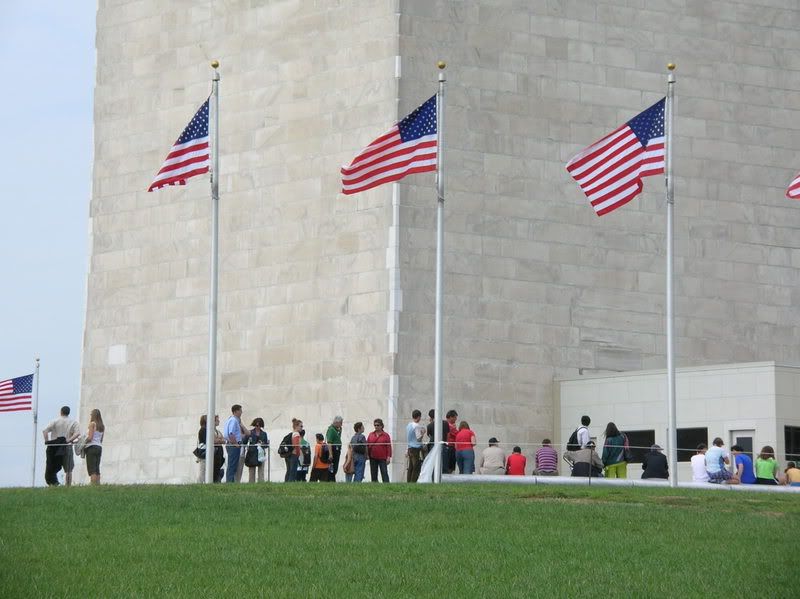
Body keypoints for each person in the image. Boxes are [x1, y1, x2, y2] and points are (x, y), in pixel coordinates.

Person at [42, 406, 80, 486]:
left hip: (55, 448)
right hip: (67, 447)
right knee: (68, 470)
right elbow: (77, 433)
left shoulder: (55, 421)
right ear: (68, 412)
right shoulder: (73, 422)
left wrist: (47, 442)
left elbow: (45, 431)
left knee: (52, 467)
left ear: (61, 412)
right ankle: (67, 486)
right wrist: (68, 440)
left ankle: (53, 484)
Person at [197, 414, 225, 483]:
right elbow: (211, 440)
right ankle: (200, 484)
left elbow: (221, 439)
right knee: (203, 470)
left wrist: (218, 440)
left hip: (212, 452)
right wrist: (218, 440)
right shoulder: (203, 430)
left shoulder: (209, 430)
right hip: (204, 453)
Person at [223, 404, 245, 483]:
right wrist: (235, 443)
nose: (241, 412)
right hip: (233, 445)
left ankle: (231, 481)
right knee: (232, 465)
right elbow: (231, 433)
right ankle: (230, 482)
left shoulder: (230, 420)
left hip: (231, 444)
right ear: (236, 411)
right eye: (240, 410)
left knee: (233, 464)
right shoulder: (234, 420)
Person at [243, 418, 269, 483]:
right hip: (251, 454)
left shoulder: (264, 434)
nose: (258, 427)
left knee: (261, 471)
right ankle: (251, 484)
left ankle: (261, 484)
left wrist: (262, 444)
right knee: (251, 472)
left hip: (261, 454)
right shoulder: (250, 432)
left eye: (259, 426)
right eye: (256, 425)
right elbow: (244, 442)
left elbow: (266, 445)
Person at [84, 409, 105, 485]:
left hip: (91, 447)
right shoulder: (102, 426)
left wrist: (83, 442)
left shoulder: (92, 424)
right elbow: (101, 439)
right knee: (97, 467)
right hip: (99, 447)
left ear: (93, 415)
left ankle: (93, 484)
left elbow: (90, 438)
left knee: (92, 468)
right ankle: (98, 484)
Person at [406, 410, 425, 482]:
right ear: (419, 417)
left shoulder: (409, 425)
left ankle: (409, 481)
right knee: (416, 467)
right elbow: (419, 439)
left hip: (410, 448)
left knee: (410, 467)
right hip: (416, 449)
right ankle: (413, 482)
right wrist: (423, 433)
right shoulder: (417, 426)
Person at [325, 416, 343, 482]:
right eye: (341, 423)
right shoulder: (331, 430)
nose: (341, 425)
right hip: (334, 450)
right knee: (332, 467)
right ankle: (330, 480)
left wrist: (340, 430)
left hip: (337, 449)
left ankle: (332, 479)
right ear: (337, 422)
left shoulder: (336, 430)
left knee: (335, 467)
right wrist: (330, 454)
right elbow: (329, 442)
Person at [285, 418, 303, 482]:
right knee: (293, 471)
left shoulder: (292, 433)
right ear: (296, 426)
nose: (302, 428)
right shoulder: (296, 434)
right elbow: (296, 445)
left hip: (289, 454)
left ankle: (286, 483)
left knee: (289, 470)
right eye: (301, 426)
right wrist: (298, 454)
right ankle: (290, 483)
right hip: (294, 454)